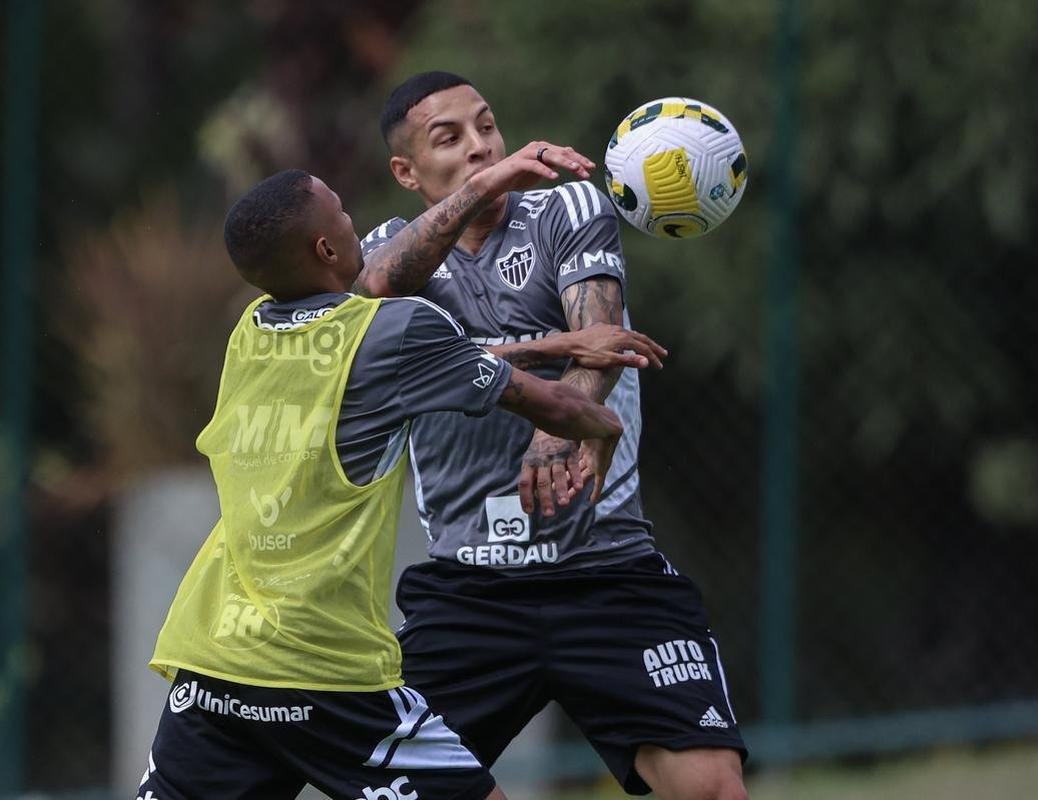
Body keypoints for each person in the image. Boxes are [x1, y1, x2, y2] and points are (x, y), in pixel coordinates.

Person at [138, 154, 662, 799]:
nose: (360, 225)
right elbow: (553, 406)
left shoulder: (250, 333)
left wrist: (549, 345)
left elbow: (405, 353)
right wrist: (602, 426)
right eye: (345, 213)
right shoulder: (397, 327)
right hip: (323, 667)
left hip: (213, 654)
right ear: (328, 246)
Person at [356, 71, 748, 799]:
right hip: (469, 590)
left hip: (605, 571)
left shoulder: (569, 206)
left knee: (711, 786)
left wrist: (560, 427)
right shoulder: (387, 254)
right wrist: (486, 185)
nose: (481, 147)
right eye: (451, 138)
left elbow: (594, 339)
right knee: (402, 789)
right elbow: (374, 300)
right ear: (405, 172)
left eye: (488, 126)